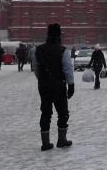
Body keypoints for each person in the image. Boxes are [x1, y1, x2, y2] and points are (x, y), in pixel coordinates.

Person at [33, 23, 74, 151]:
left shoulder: (38, 50)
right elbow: (68, 69)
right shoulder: (63, 51)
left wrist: (42, 79)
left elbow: (36, 68)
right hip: (59, 85)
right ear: (59, 35)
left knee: (45, 112)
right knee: (62, 112)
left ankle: (45, 143)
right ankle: (62, 140)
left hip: (44, 85)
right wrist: (71, 84)